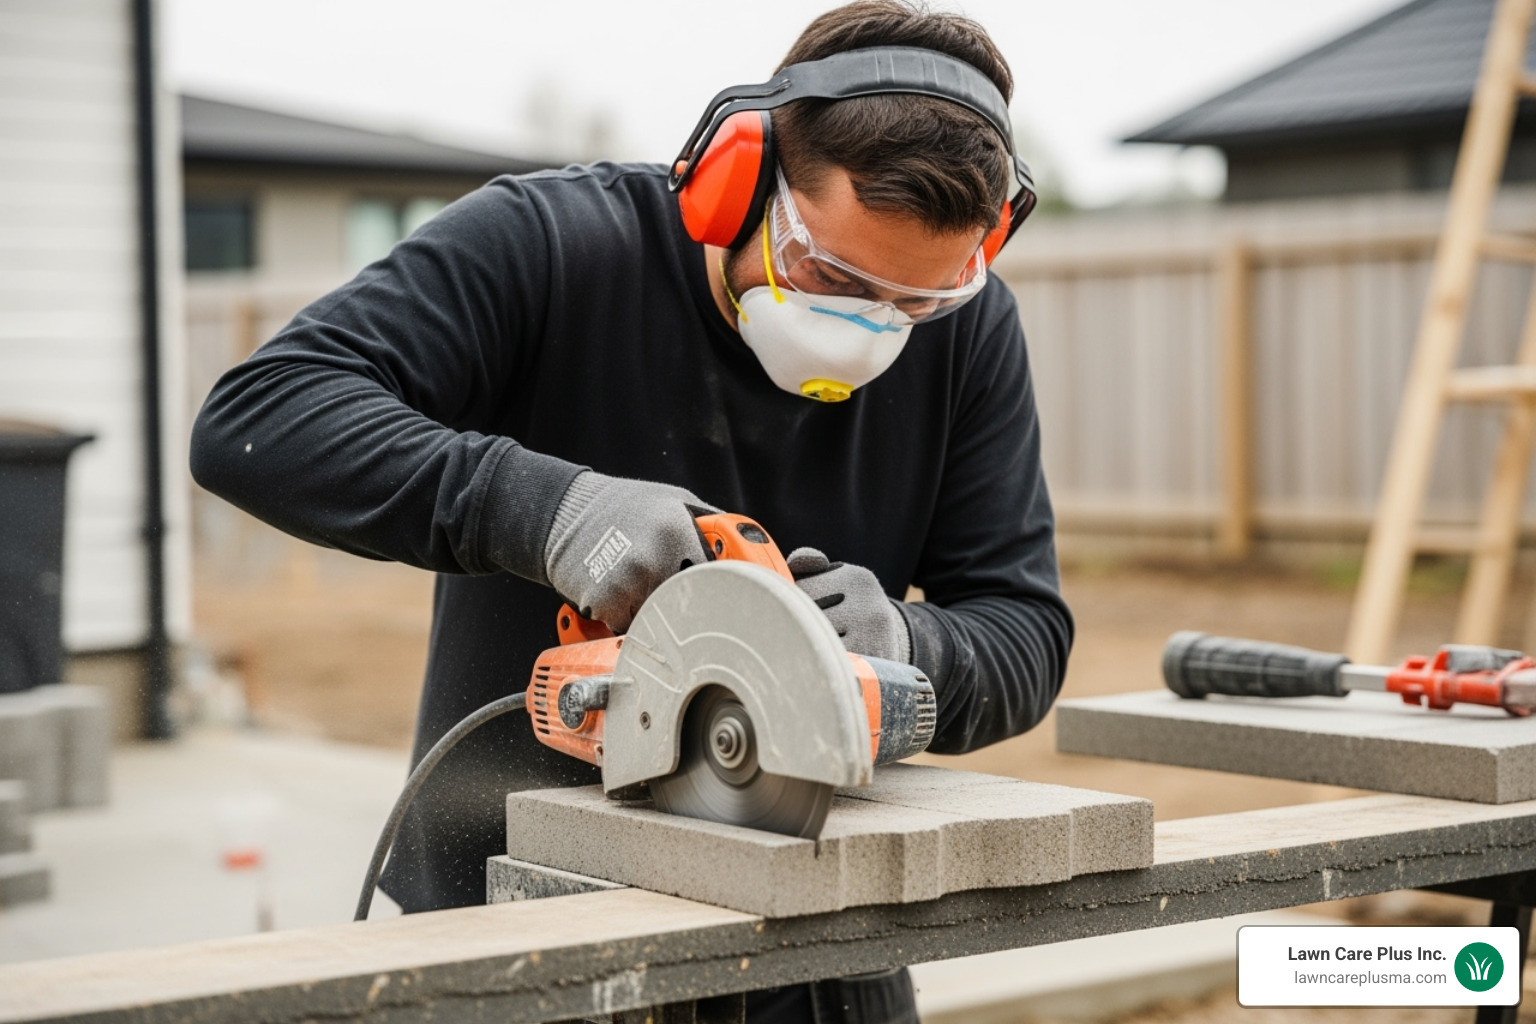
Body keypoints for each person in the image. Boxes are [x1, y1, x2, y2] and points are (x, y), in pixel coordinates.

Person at [190, 2, 1073, 1020]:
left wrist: (909, 644)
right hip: (511, 921)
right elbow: (259, 417)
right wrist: (547, 509)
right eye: (829, 274)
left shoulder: (972, 332)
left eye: (914, 303)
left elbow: (1026, 627)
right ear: (736, 180)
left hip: (820, 946)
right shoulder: (552, 245)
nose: (869, 328)